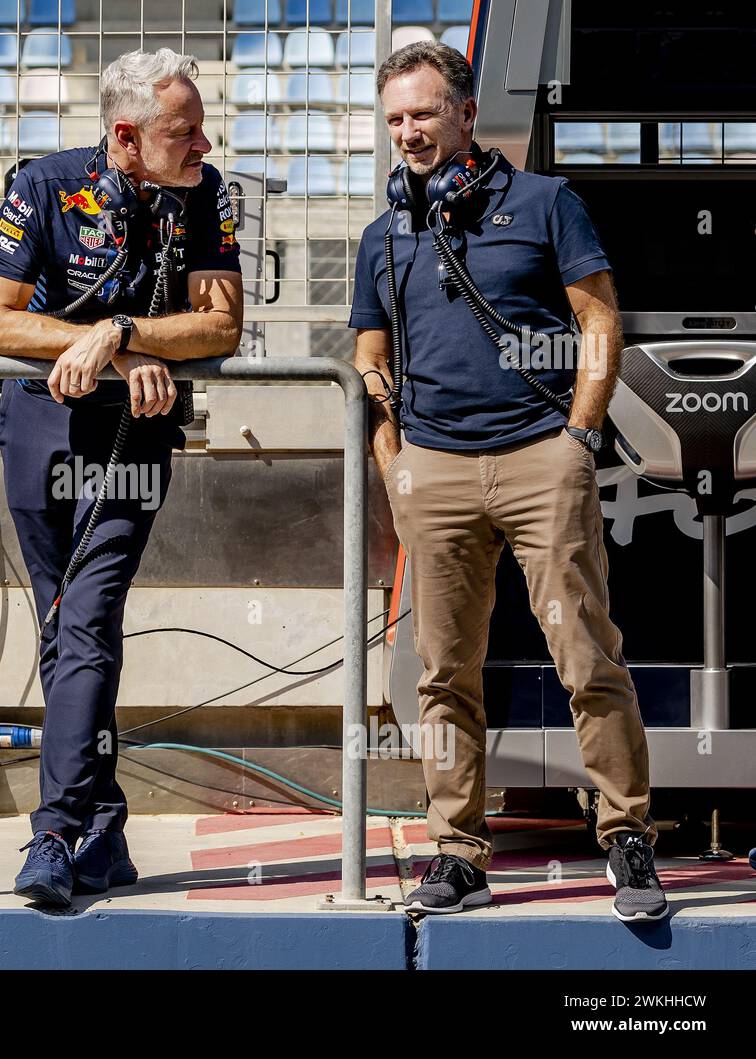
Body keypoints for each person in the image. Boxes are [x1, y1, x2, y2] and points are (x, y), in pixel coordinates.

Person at [351, 41, 665, 922]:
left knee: (586, 654)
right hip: (434, 471)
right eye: (396, 120)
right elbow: (370, 355)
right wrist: (394, 458)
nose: (408, 133)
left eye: (422, 113)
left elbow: (598, 315)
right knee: (444, 671)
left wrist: (578, 435)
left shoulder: (545, 201)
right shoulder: (385, 234)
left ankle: (627, 836)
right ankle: (458, 852)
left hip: (540, 457)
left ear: (464, 111)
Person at [0, 47, 244, 907]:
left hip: (136, 435)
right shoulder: (48, 185)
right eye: (182, 130)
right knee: (62, 629)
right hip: (40, 426)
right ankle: (106, 821)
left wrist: (122, 334)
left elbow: (222, 325)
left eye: (200, 125)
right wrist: (103, 346)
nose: (203, 141)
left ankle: (54, 830)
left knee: (87, 620)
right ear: (126, 135)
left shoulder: (207, 193)